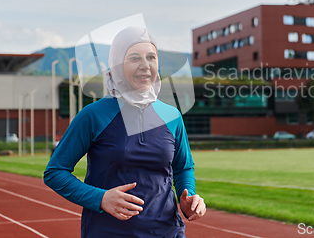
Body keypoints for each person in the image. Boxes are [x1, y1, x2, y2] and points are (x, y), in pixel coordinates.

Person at [44, 26, 206, 237]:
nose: (145, 66)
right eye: (134, 58)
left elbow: (183, 168)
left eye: (151, 57)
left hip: (167, 231)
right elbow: (55, 172)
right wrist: (100, 198)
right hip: (108, 231)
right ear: (117, 64)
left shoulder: (172, 116)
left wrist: (188, 197)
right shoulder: (93, 115)